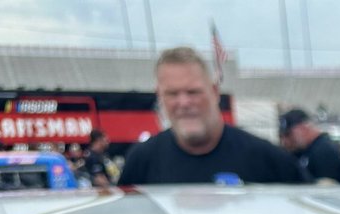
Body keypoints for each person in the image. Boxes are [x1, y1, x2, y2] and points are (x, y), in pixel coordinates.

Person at [119, 46, 305, 186]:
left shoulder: (267, 158)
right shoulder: (141, 162)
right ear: (159, 96)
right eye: (172, 94)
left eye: (193, 92)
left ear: (215, 92)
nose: (184, 103)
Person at [279, 108, 340, 184]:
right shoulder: (305, 150)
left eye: (288, 135)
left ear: (304, 128)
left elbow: (327, 189)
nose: (285, 141)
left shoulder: (323, 151)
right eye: (281, 136)